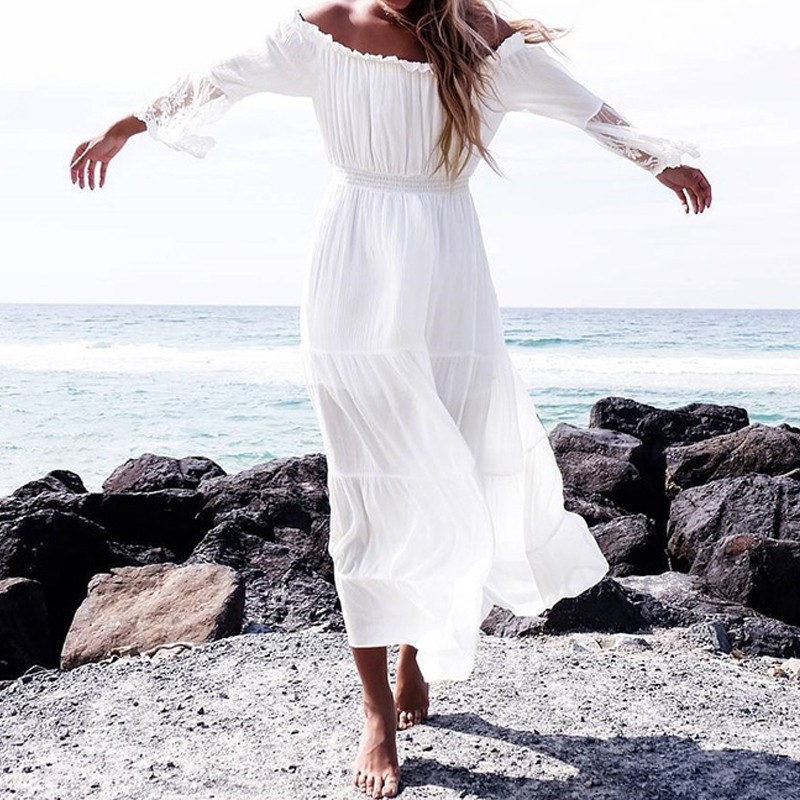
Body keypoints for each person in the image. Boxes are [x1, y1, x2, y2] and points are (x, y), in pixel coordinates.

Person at [70, 1, 712, 796]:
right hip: (353, 271)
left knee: (454, 471)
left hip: (449, 278)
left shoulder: (477, 36)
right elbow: (218, 77)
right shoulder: (321, 31)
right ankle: (374, 711)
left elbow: (586, 107)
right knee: (370, 490)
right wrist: (126, 125)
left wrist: (659, 160)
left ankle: (417, 653)